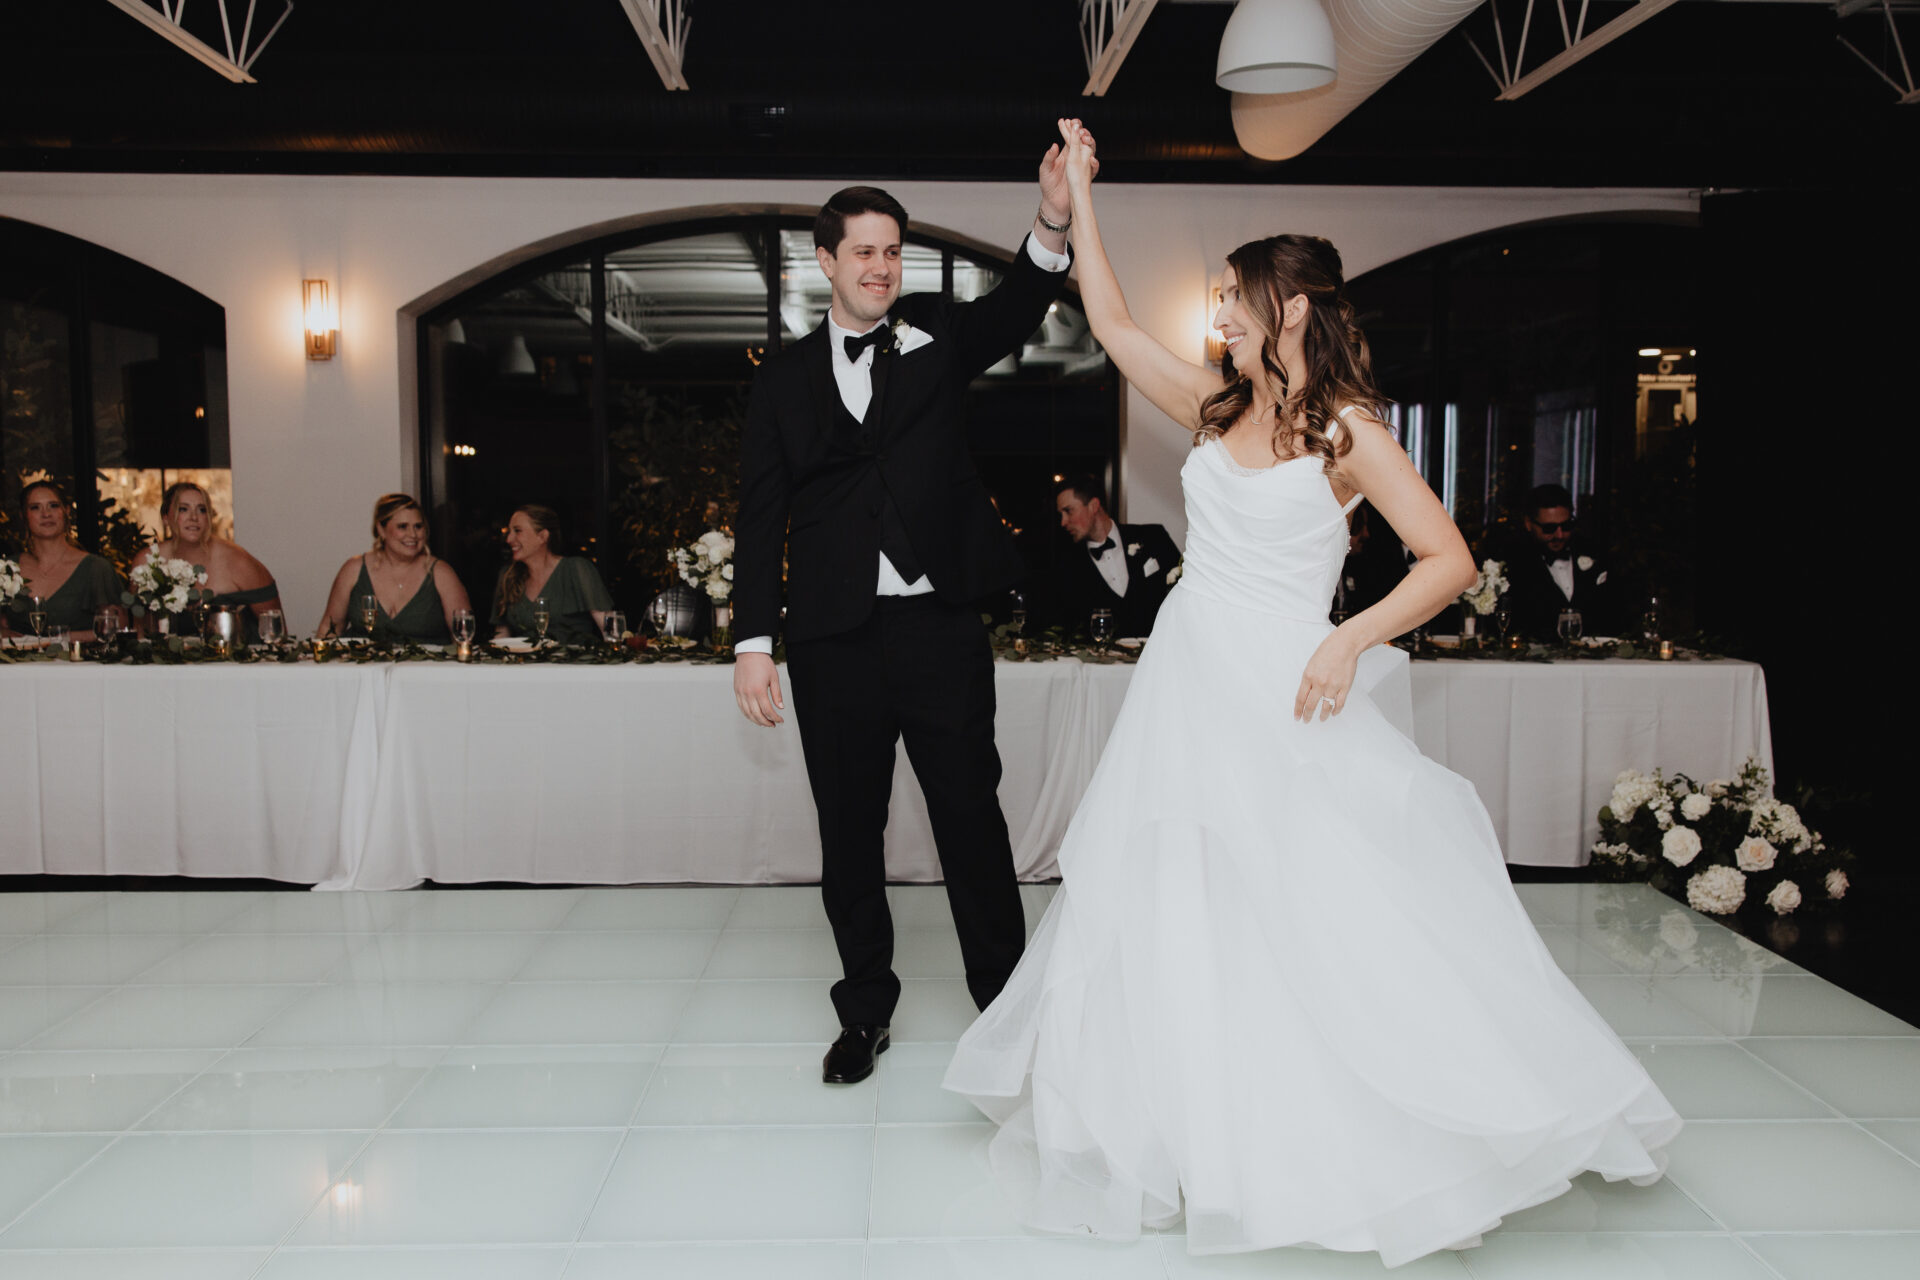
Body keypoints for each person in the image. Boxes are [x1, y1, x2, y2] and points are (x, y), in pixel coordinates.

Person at [943, 120, 1679, 1267]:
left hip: (1287, 683)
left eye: (1235, 301)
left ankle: (1350, 1123)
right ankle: (1195, 1120)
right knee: (1182, 891)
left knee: (1314, 899)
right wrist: (1081, 190)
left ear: (1289, 309)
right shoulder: (1215, 405)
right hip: (1190, 681)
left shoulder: (1349, 429)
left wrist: (1350, 638)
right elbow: (1115, 324)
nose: (1222, 318)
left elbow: (1447, 558)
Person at [731, 156, 1077, 1085]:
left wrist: (1051, 219)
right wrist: (754, 642)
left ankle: (1007, 1010)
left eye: (892, 252)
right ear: (826, 262)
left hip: (938, 630)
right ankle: (864, 1012)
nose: (881, 267)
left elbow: (1017, 307)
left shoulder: (936, 336)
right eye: (864, 253)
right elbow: (760, 516)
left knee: (971, 819)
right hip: (832, 639)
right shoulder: (783, 379)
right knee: (849, 833)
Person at [133, 482, 282, 641]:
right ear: (165, 518)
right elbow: (139, 632)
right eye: (183, 509)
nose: (194, 517)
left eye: (202, 510)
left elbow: (276, 634)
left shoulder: (238, 561)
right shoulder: (147, 561)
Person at [317, 493, 472, 643]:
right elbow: (328, 630)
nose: (413, 534)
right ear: (381, 529)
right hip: (362, 661)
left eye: (418, 526)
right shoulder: (353, 569)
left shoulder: (442, 573)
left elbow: (463, 637)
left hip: (427, 661)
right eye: (402, 527)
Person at [1053, 474, 1180, 639]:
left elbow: (1185, 593)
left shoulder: (1153, 537)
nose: (1063, 522)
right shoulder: (1068, 565)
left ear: (1093, 506)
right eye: (1061, 514)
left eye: (1068, 511)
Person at [1, 480, 124, 641]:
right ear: (23, 515)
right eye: (35, 507)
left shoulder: (96, 568)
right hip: (16, 658)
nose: (46, 514)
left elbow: (117, 629)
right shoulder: (7, 568)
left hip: (79, 657)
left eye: (53, 506)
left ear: (66, 511)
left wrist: (59, 639)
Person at [1500, 483, 1619, 639]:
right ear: (1529, 524)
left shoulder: (1594, 553)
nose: (1560, 535)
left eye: (1566, 526)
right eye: (1549, 528)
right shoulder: (1513, 565)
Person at [490, 504, 613, 645]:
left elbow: (609, 629)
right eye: (509, 531)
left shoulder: (576, 569)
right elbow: (502, 635)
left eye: (517, 531)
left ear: (542, 536)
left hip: (574, 658)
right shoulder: (508, 576)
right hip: (526, 658)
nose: (509, 539)